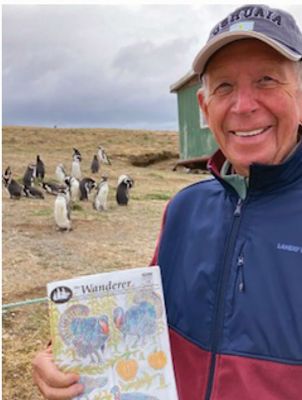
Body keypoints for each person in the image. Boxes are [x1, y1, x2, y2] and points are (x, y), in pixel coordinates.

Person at [32, 4, 302, 399]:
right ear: (204, 107)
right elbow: (140, 325)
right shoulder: (183, 210)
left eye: (266, 80)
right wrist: (64, 362)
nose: (244, 105)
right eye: (224, 86)